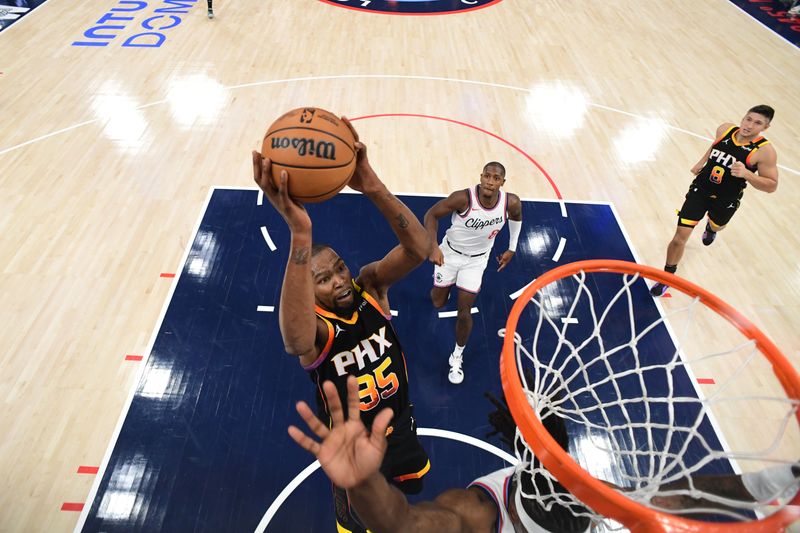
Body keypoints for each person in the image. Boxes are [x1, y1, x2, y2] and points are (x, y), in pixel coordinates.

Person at [253, 118, 432, 533]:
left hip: (400, 426)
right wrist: (300, 234)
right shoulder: (317, 329)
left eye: (339, 268)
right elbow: (293, 339)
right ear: (310, 291)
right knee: (358, 520)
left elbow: (420, 249)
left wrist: (371, 184)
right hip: (351, 447)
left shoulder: (370, 286)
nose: (338, 280)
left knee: (409, 497)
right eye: (323, 279)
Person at [289, 376, 592, 533]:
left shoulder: (578, 500)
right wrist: (363, 482)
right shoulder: (474, 514)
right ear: (514, 514)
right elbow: (404, 524)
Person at [650, 105, 779, 297]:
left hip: (726, 199)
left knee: (718, 225)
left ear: (765, 128)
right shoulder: (725, 129)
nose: (750, 125)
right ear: (743, 117)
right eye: (748, 119)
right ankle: (667, 277)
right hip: (700, 191)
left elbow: (771, 185)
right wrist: (702, 162)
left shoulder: (765, 152)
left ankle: (712, 228)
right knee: (679, 238)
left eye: (758, 123)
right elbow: (715, 145)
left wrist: (747, 174)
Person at [424, 162, 522, 384]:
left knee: (464, 311)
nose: (490, 181)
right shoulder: (463, 199)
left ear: (502, 183)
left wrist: (512, 248)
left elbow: (517, 217)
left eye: (496, 178)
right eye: (487, 176)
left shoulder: (511, 202)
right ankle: (444, 287)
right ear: (481, 177)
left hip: (476, 262)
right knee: (438, 301)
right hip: (449, 254)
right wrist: (433, 246)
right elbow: (431, 215)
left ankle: (457, 355)